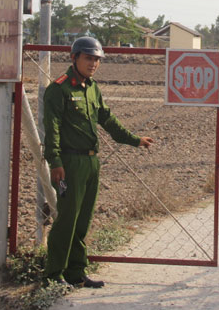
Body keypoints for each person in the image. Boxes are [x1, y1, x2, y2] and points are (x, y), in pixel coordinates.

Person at [42, 36, 155, 288]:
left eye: (96, 59)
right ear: (74, 58)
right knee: (67, 220)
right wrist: (56, 162)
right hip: (70, 164)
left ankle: (75, 272)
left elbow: (108, 120)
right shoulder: (59, 89)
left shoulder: (92, 88)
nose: (93, 63)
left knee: (83, 220)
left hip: (92, 163)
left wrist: (135, 140)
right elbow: (52, 129)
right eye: (88, 58)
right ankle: (53, 275)